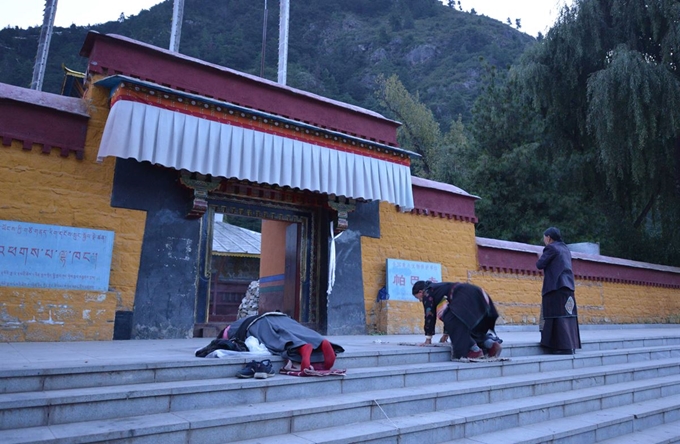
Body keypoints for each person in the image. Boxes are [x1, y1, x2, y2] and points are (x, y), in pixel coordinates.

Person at [221, 311, 343, 371]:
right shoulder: (240, 321)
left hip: (259, 323)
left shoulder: (229, 331)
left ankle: (301, 348)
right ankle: (320, 341)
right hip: (280, 316)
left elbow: (227, 342)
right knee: (299, 331)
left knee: (274, 338)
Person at [412, 281, 502, 360]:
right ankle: (489, 344)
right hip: (476, 293)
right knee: (468, 324)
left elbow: (429, 315)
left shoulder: (427, 292)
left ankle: (473, 350)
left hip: (462, 296)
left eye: (418, 297)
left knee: (456, 322)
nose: (420, 300)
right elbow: (447, 311)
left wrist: (428, 338)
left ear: (421, 292)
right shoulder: (439, 288)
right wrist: (446, 333)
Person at [536, 227, 582, 354]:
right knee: (567, 314)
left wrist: (540, 256)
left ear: (549, 237)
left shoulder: (551, 248)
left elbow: (540, 264)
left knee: (555, 315)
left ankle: (557, 346)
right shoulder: (565, 249)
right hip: (568, 286)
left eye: (544, 237)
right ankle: (569, 345)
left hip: (555, 287)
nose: (544, 240)